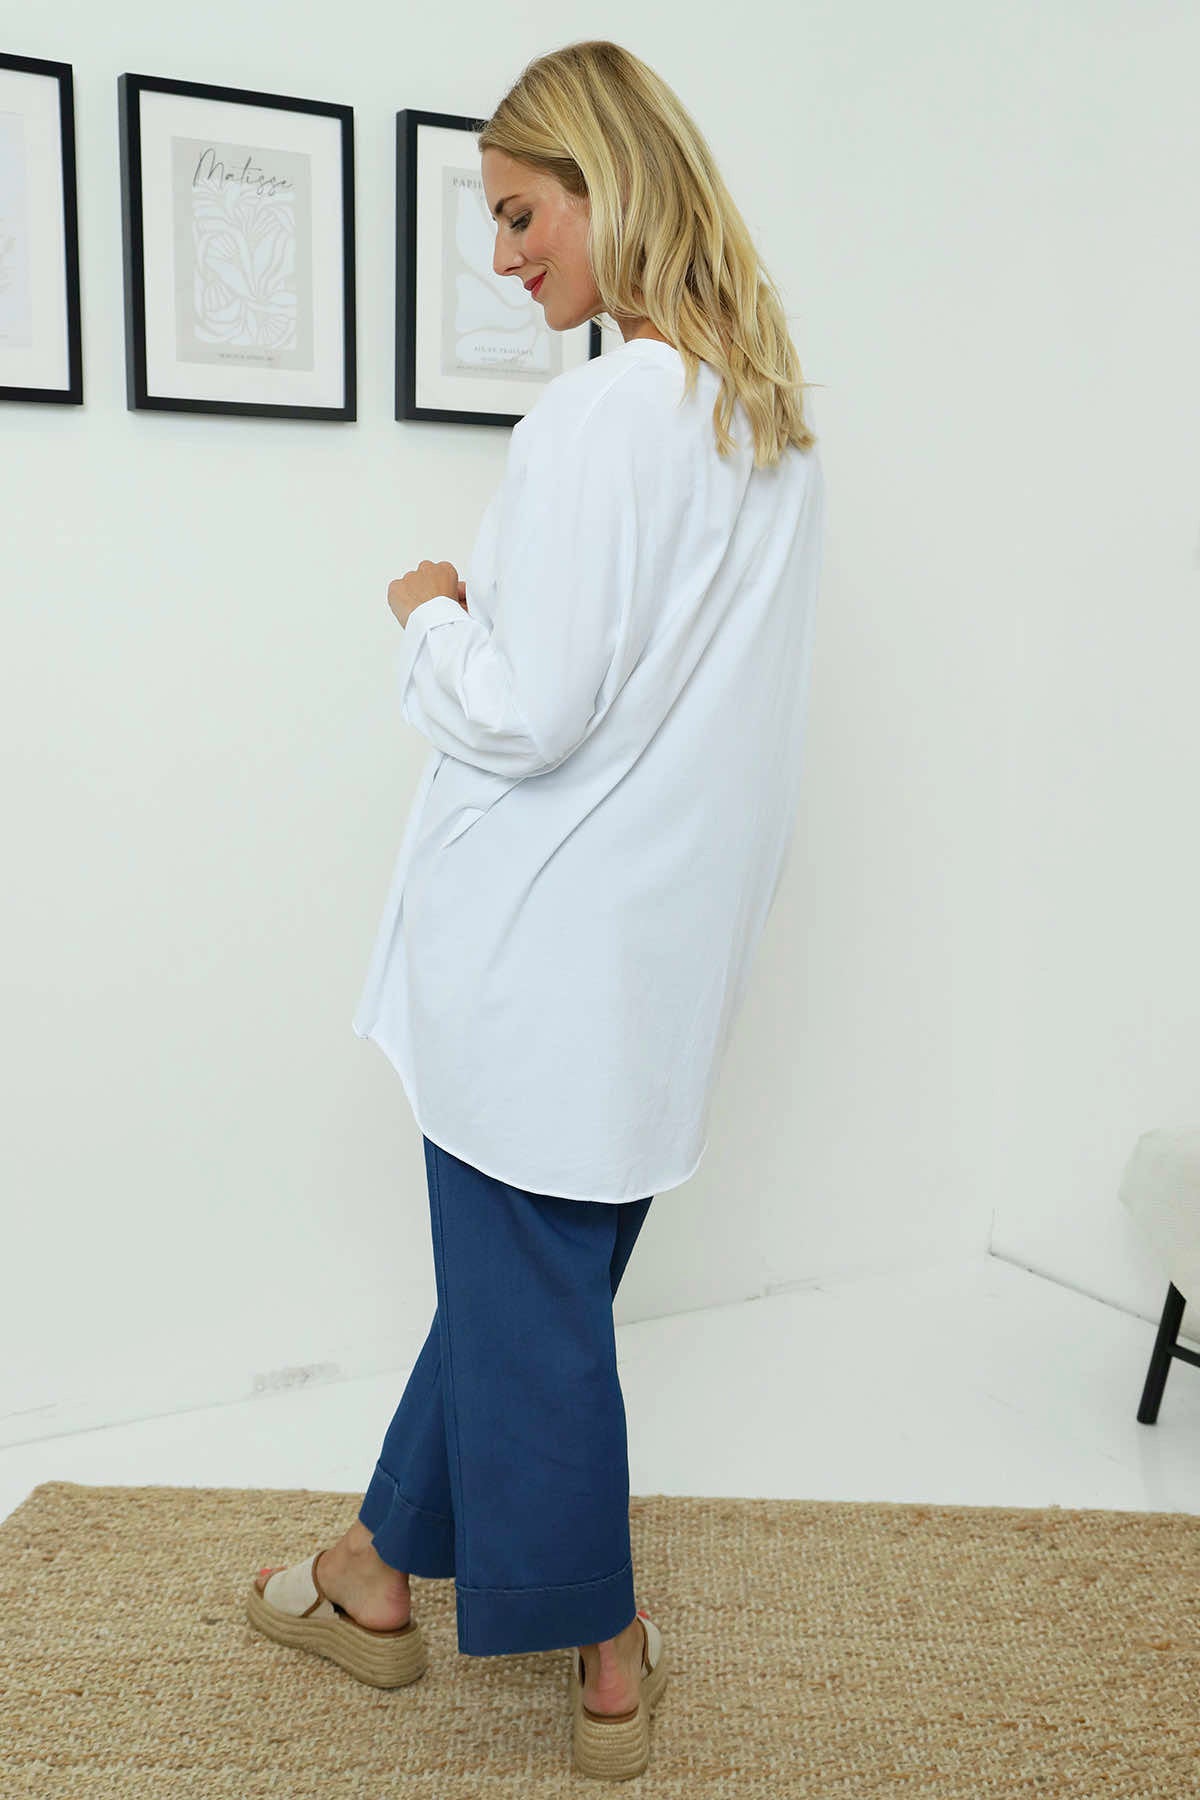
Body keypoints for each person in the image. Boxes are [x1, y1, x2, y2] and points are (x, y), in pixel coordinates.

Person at [247, 37, 826, 1782]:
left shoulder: (604, 415)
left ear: (608, 182)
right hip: (655, 953)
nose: (506, 257)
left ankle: (609, 1654)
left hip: (536, 948)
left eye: (520, 214)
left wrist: (429, 608)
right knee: (528, 1292)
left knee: (536, 1313)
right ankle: (370, 1576)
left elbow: (530, 707)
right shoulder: (767, 427)